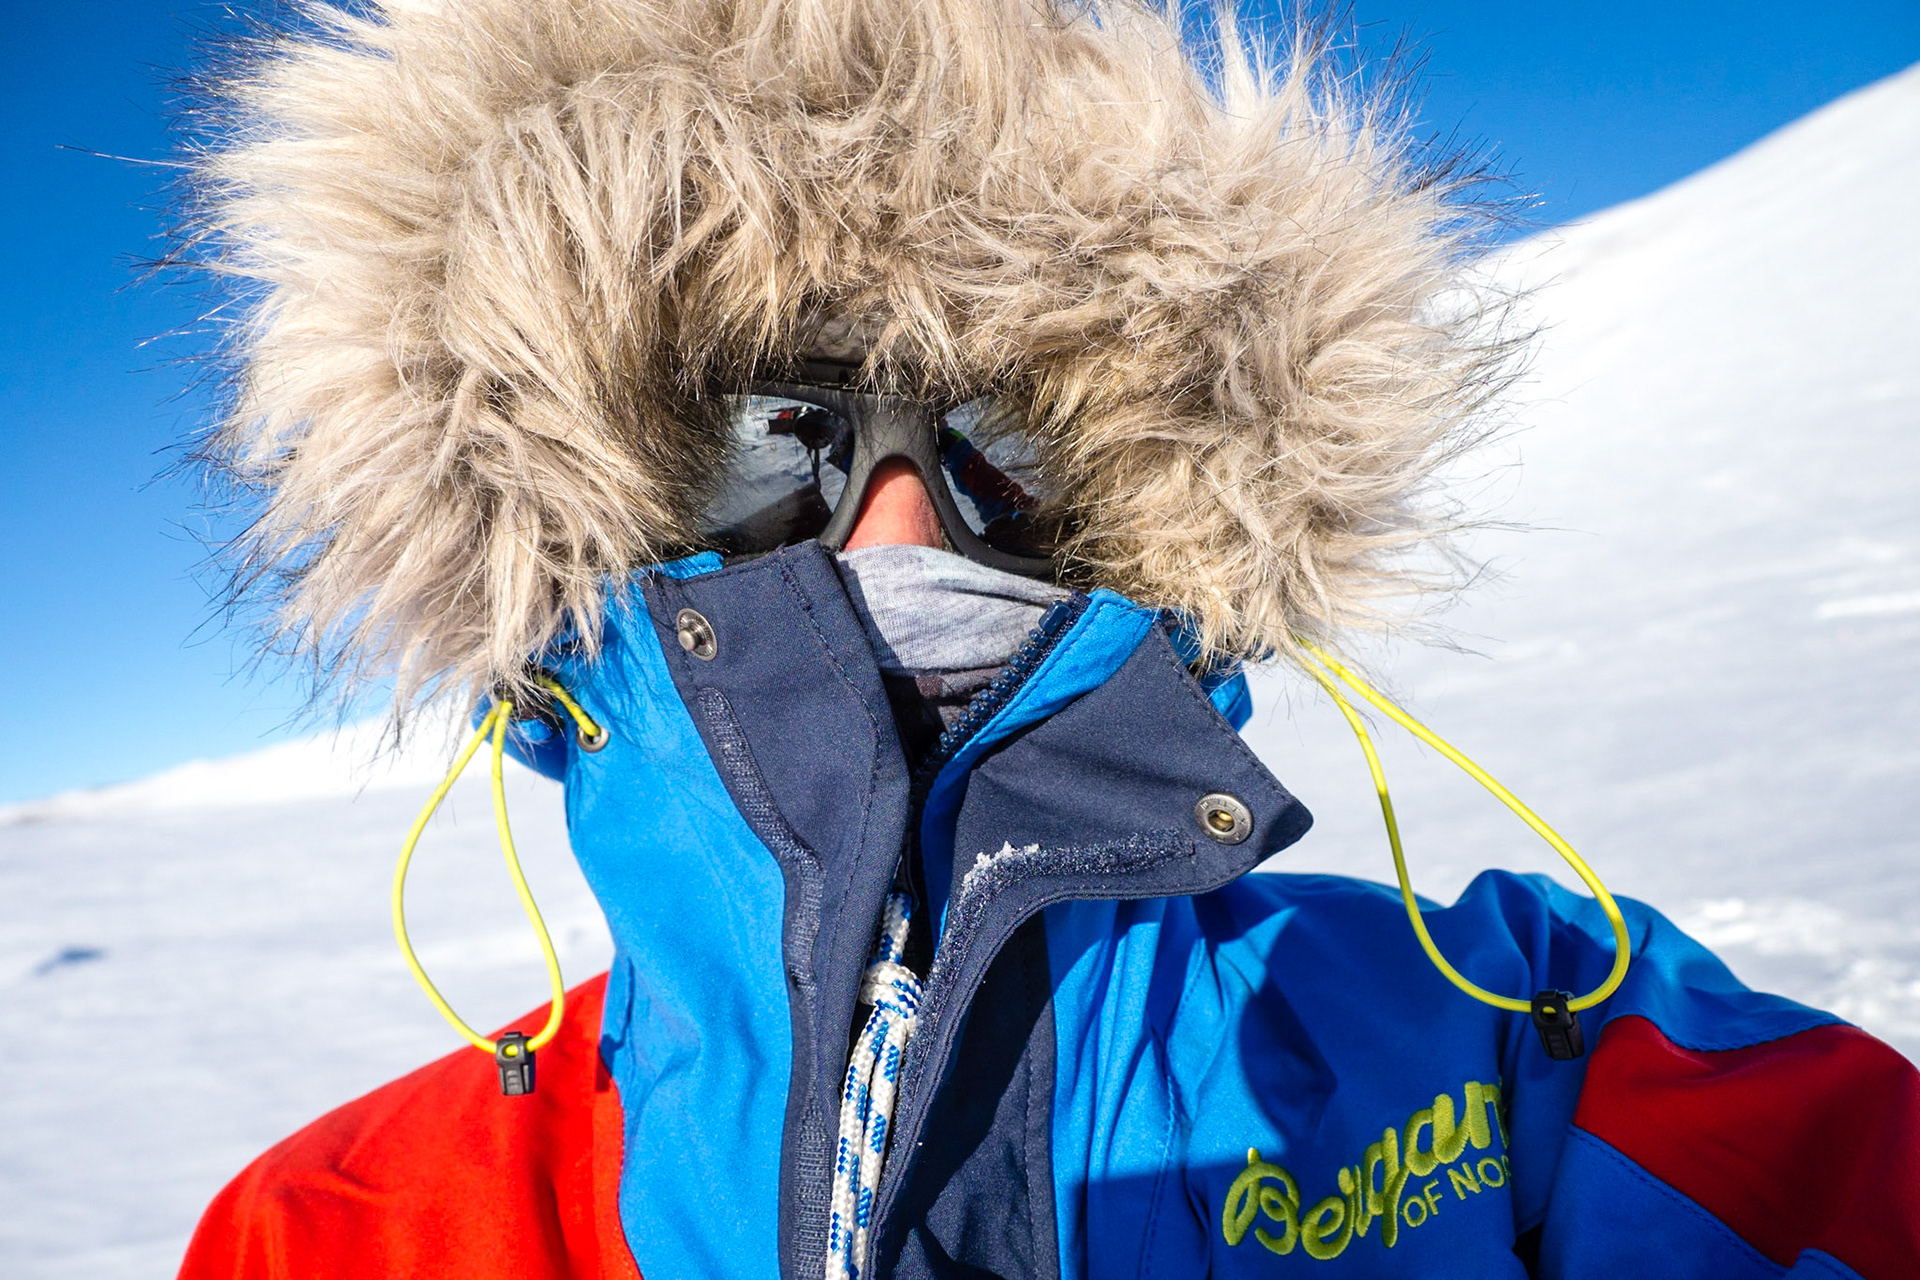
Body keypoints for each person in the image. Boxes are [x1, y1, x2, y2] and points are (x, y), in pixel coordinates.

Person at [176, 0, 1920, 1276]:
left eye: (1002, 429)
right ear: (577, 508)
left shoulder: (1535, 1043)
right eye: (765, 433)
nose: (906, 522)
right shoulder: (345, 1231)